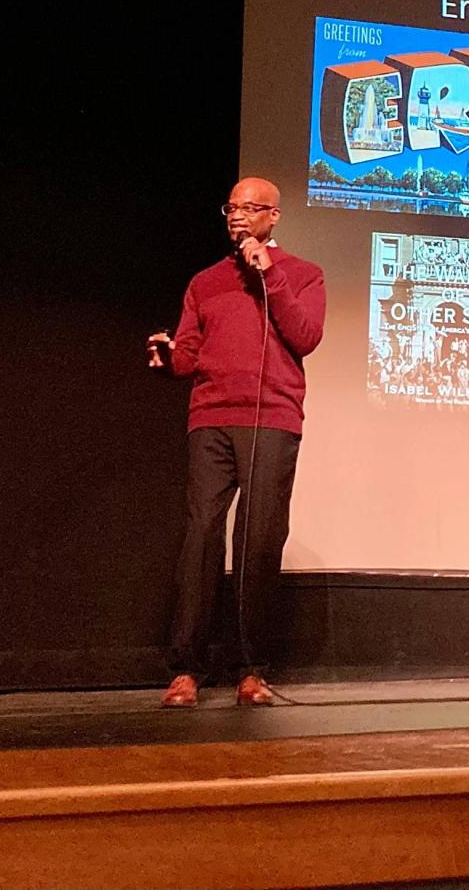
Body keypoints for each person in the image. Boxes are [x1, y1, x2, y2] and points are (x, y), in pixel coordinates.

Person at [146, 177, 325, 707]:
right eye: (232, 207)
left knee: (258, 537)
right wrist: (168, 358)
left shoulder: (303, 274)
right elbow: (191, 353)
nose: (238, 216)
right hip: (211, 417)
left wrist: (270, 276)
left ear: (274, 217)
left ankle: (251, 668)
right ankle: (187, 668)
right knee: (201, 534)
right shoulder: (205, 282)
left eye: (251, 208)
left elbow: (306, 336)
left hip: (271, 418)